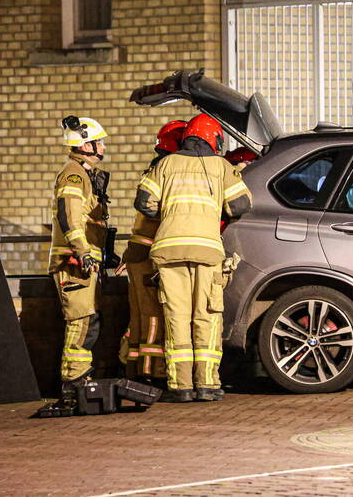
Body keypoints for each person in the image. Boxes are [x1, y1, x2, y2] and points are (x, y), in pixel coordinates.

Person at [135, 114, 252, 402]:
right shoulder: (220, 166)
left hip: (169, 249)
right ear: (213, 138)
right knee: (207, 316)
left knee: (176, 317)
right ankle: (208, 385)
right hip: (206, 251)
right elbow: (241, 204)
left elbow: (143, 203)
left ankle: (181, 386)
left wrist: (171, 215)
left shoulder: (165, 164)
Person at [46, 115, 110, 413]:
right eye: (99, 142)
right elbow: (70, 216)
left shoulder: (84, 174)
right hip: (74, 263)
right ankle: (74, 384)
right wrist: (83, 251)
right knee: (81, 322)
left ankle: (78, 381)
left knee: (88, 321)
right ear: (85, 144)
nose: (103, 146)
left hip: (84, 262)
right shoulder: (73, 174)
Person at [119, 120, 187, 385]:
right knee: (154, 316)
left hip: (138, 254)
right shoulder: (165, 171)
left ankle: (135, 368)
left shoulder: (154, 170)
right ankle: (152, 372)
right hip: (149, 257)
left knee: (139, 316)